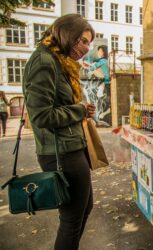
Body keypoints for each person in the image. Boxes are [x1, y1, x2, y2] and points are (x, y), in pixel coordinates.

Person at [22, 14, 96, 250]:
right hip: (61, 153)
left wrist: (81, 110)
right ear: (67, 34)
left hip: (71, 148)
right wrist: (79, 110)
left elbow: (58, 106)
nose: (86, 48)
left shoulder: (58, 60)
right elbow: (41, 116)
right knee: (72, 220)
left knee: (83, 209)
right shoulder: (44, 62)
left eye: (89, 43)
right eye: (83, 41)